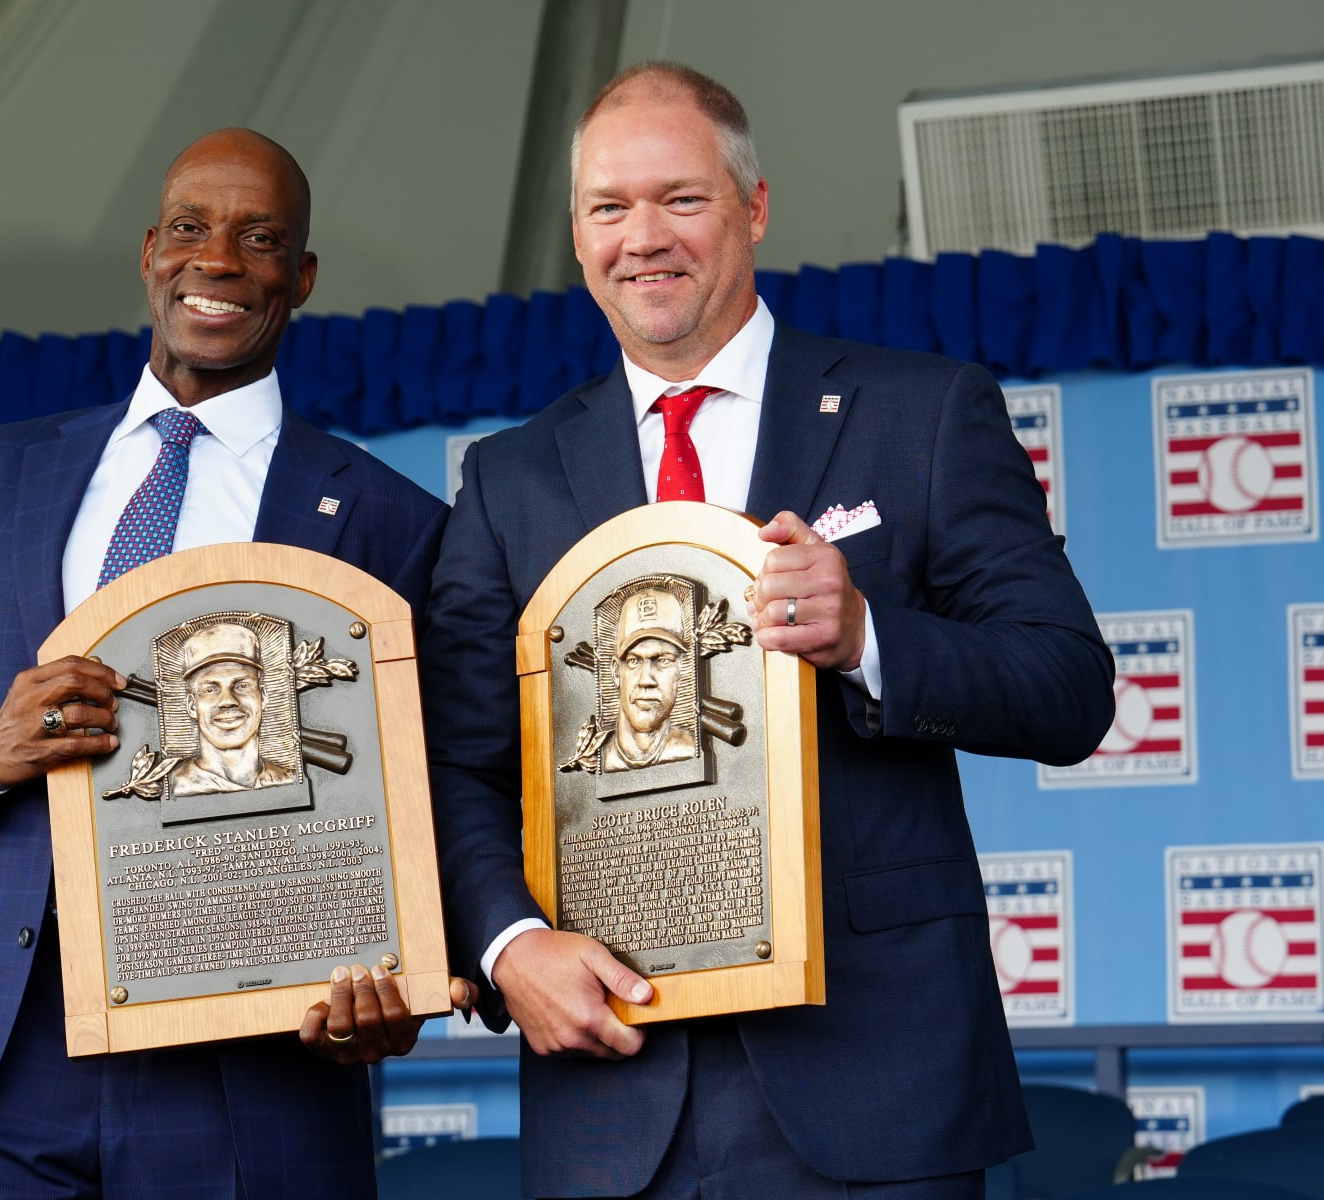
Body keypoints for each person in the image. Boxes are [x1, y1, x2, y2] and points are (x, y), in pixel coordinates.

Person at [420, 62, 1113, 1199]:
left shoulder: (922, 413)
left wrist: (869, 638)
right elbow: (459, 762)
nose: (643, 237)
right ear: (580, 234)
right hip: (611, 1101)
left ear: (754, 207)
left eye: (681, 198)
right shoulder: (509, 480)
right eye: (609, 208)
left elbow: (1069, 687)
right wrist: (507, 944)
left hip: (877, 1093)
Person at [0, 128, 463, 1198]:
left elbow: (439, 793)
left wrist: (401, 976)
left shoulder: (391, 522)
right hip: (1, 1046)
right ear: (148, 252)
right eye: (188, 229)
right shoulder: (1, 472)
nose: (216, 261)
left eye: (259, 239)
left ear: (299, 278)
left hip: (258, 1058)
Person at [168, 620, 298, 797]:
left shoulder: (289, 780)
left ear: (263, 697)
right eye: (210, 690)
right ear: (192, 705)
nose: (227, 701)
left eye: (242, 685)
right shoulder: (174, 786)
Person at [603, 584, 698, 772]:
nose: (646, 679)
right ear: (615, 672)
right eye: (633, 661)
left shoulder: (690, 749)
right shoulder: (598, 758)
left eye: (662, 660)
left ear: (682, 668)